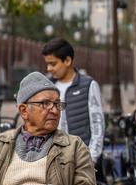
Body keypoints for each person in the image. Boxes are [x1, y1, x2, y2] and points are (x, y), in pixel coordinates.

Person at [41, 38, 104, 166]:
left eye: (53, 64)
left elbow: (98, 123)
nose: (49, 68)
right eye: (47, 64)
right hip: (54, 158)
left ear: (68, 60)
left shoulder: (88, 85)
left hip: (81, 158)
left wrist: (92, 158)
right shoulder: (47, 86)